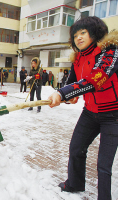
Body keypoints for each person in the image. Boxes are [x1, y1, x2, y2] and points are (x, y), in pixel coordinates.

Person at [48, 16, 118, 200]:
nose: (78, 38)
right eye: (75, 35)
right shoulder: (78, 58)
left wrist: (63, 93)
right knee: (76, 149)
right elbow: (72, 82)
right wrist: (68, 95)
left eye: (83, 33)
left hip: (113, 115)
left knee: (103, 164)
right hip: (90, 112)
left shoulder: (109, 52)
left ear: (94, 33)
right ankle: (75, 184)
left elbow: (95, 79)